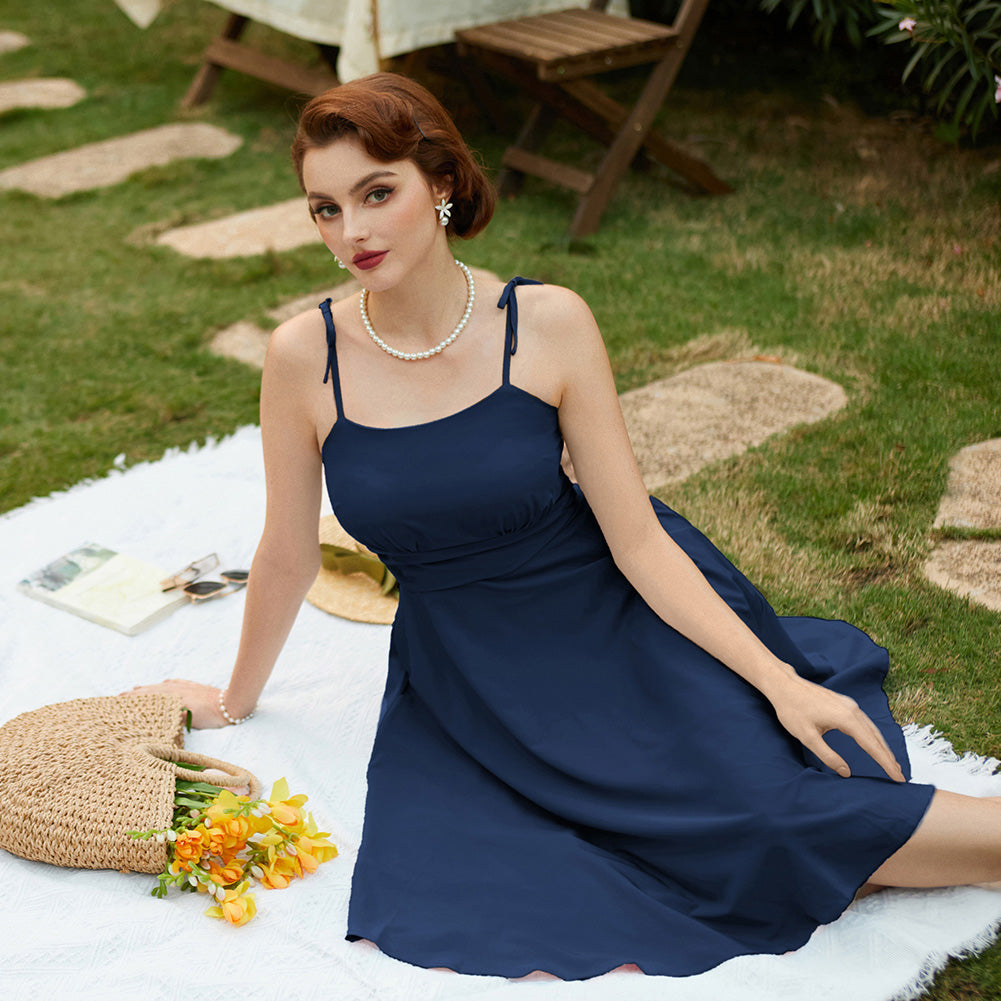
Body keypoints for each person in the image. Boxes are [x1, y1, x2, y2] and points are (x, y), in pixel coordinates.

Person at [133, 73, 1001, 980]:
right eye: (325, 208)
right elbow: (285, 552)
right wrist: (235, 697)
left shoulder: (545, 324)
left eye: (376, 193)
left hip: (618, 612)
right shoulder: (302, 356)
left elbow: (638, 539)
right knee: (663, 848)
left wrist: (778, 681)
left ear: (440, 182)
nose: (350, 231)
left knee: (767, 808)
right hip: (474, 670)